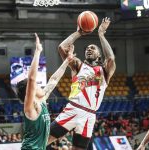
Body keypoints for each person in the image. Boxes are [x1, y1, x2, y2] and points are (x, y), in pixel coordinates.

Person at [48, 17, 116, 149]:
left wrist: (101, 34)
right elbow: (62, 47)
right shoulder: (78, 66)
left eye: (93, 48)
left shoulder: (105, 72)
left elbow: (111, 58)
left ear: (99, 55)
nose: (89, 49)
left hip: (90, 115)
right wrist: (78, 33)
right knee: (43, 140)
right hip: (74, 108)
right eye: (87, 49)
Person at [16, 33, 75, 150]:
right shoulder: (30, 108)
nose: (39, 86)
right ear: (31, 90)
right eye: (36, 86)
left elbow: (53, 80)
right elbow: (32, 79)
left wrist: (67, 61)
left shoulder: (42, 100)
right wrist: (38, 51)